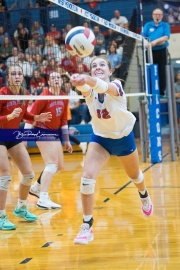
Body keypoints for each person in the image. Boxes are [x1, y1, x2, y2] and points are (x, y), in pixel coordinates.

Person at [70, 55, 153, 244]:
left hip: (123, 138)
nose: (98, 67)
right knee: (86, 179)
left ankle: (144, 195)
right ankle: (86, 226)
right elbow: (84, 87)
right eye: (94, 66)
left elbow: (103, 86)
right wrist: (78, 81)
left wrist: (86, 78)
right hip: (101, 140)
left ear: (110, 71)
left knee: (135, 177)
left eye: (102, 65)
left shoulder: (116, 85)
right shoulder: (89, 91)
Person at [0, 64, 52, 230]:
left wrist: (36, 116)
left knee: (29, 174)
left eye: (19, 73)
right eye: (13, 73)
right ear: (8, 77)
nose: (16, 76)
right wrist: (9, 116)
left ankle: (21, 208)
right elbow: (9, 116)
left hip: (12, 135)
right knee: (6, 176)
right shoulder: (2, 94)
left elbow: (23, 114)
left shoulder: (25, 93)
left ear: (22, 76)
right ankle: (1, 216)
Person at [28, 71, 73, 210]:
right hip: (42, 131)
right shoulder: (44, 96)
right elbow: (30, 116)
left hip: (55, 133)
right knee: (52, 164)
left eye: (58, 77)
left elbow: (64, 119)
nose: (56, 80)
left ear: (61, 80)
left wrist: (66, 140)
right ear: (49, 82)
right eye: (52, 78)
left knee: (59, 166)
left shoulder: (64, 96)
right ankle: (43, 198)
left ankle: (36, 187)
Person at [141, 8, 171, 96]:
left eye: (159, 14)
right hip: (150, 51)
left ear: (162, 16)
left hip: (162, 51)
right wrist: (146, 43)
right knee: (149, 70)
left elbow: (166, 38)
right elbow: (143, 36)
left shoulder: (165, 25)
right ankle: (149, 91)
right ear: (152, 15)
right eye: (155, 14)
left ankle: (162, 91)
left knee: (162, 71)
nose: (157, 16)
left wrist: (155, 42)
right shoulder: (148, 25)